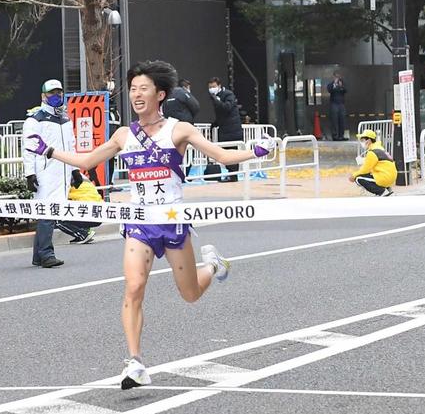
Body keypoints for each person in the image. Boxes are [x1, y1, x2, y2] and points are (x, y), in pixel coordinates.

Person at [25, 60, 275, 389]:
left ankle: (213, 266)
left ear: (160, 94)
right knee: (133, 287)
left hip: (171, 221)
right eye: (132, 89)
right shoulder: (123, 135)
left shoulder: (179, 129)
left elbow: (221, 156)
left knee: (190, 294)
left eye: (143, 89)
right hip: (139, 222)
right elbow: (87, 162)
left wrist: (255, 151)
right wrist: (49, 151)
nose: (136, 95)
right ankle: (135, 362)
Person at [22, 79, 83, 268]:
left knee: (48, 213)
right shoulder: (35, 119)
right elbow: (29, 148)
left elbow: (71, 147)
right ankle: (47, 254)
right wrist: (29, 174)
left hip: (63, 174)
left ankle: (38, 256)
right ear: (43, 96)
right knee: (48, 213)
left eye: (59, 92)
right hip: (45, 174)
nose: (56, 96)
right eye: (52, 93)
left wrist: (75, 170)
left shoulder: (65, 119)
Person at [208, 77, 243, 182]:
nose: (211, 89)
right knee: (225, 152)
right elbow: (221, 114)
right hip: (224, 129)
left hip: (232, 130)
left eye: (213, 86)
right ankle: (230, 174)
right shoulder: (215, 97)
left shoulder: (228, 94)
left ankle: (233, 176)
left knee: (232, 153)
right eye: (210, 87)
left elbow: (227, 108)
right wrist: (215, 123)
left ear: (219, 86)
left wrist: (217, 101)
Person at [55, 172, 102, 244]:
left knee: (58, 220)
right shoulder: (79, 175)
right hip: (99, 212)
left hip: (88, 213)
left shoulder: (64, 179)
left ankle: (83, 234)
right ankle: (85, 230)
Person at [349, 129, 396, 196]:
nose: (361, 142)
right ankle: (388, 190)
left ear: (369, 141)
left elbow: (365, 170)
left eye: (362, 140)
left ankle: (381, 192)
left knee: (359, 178)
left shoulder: (372, 152)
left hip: (385, 178)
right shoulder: (380, 148)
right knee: (371, 174)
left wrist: (353, 175)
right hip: (390, 177)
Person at [327, 71, 348, 141]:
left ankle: (341, 135)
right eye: (336, 77)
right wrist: (335, 84)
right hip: (334, 103)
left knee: (342, 119)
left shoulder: (342, 83)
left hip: (341, 104)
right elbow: (329, 90)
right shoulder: (331, 84)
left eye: (338, 77)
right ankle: (335, 135)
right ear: (333, 77)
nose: (337, 78)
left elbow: (345, 90)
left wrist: (341, 86)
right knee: (334, 120)